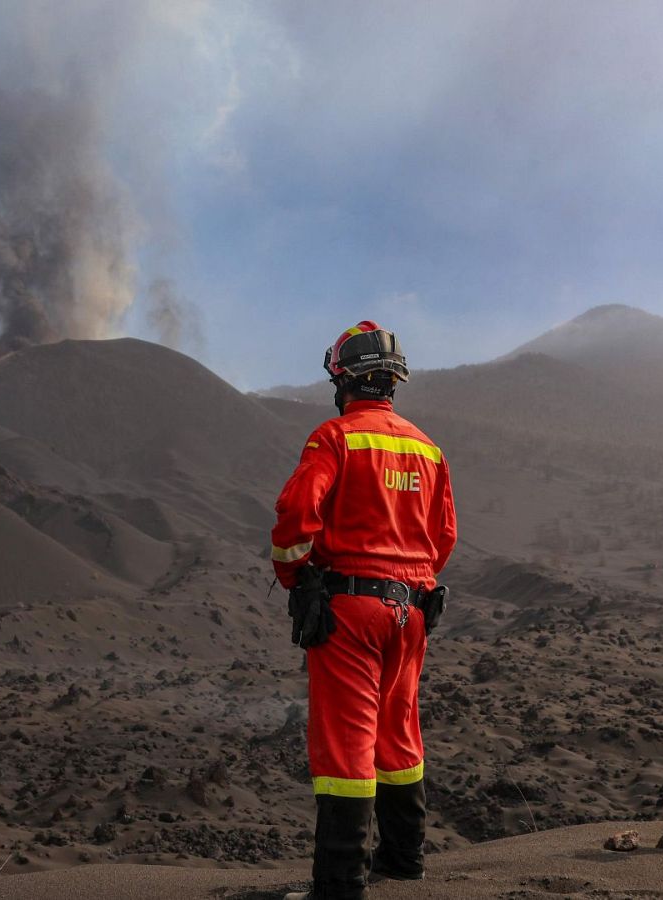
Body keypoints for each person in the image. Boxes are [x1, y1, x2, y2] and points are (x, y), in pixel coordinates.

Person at [271, 321, 458, 900]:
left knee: (345, 740)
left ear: (343, 380)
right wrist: (411, 580)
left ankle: (340, 883)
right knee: (398, 731)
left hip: (350, 611)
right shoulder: (427, 449)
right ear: (393, 383)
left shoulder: (335, 438)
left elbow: (295, 518)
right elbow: (444, 537)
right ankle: (403, 859)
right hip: (413, 611)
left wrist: (296, 578)